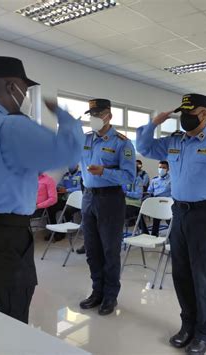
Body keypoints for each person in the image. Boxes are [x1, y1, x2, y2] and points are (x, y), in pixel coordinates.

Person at [0, 56, 85, 323]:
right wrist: (65, 118)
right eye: (24, 88)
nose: (25, 95)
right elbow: (68, 152)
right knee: (7, 320)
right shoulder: (13, 126)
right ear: (12, 86)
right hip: (4, 238)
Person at [137, 93, 206, 355]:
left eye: (189, 111)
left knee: (203, 278)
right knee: (182, 275)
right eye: (181, 112)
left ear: (204, 114)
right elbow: (144, 147)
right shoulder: (175, 142)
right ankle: (188, 326)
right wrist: (154, 122)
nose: (184, 116)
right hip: (180, 214)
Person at [76, 98, 135, 316]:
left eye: (98, 115)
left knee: (110, 250)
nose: (93, 119)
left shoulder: (122, 143)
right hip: (88, 197)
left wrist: (105, 172)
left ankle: (110, 296)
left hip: (110, 200)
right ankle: (96, 291)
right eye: (91, 115)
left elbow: (130, 176)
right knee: (92, 250)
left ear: (108, 116)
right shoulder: (85, 140)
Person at [46, 165, 83, 244]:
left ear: (77, 166)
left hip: (77, 202)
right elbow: (59, 185)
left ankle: (62, 234)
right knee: (50, 207)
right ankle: (54, 232)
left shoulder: (81, 175)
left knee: (67, 210)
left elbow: (80, 188)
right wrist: (59, 188)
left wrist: (67, 190)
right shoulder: (66, 175)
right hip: (65, 200)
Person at [144, 160, 172, 236]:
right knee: (156, 216)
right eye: (160, 167)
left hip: (167, 203)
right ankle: (154, 234)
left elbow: (174, 193)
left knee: (169, 220)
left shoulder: (172, 179)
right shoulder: (154, 180)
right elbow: (150, 192)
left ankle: (172, 235)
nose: (161, 169)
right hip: (156, 203)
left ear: (168, 169)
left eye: (164, 168)